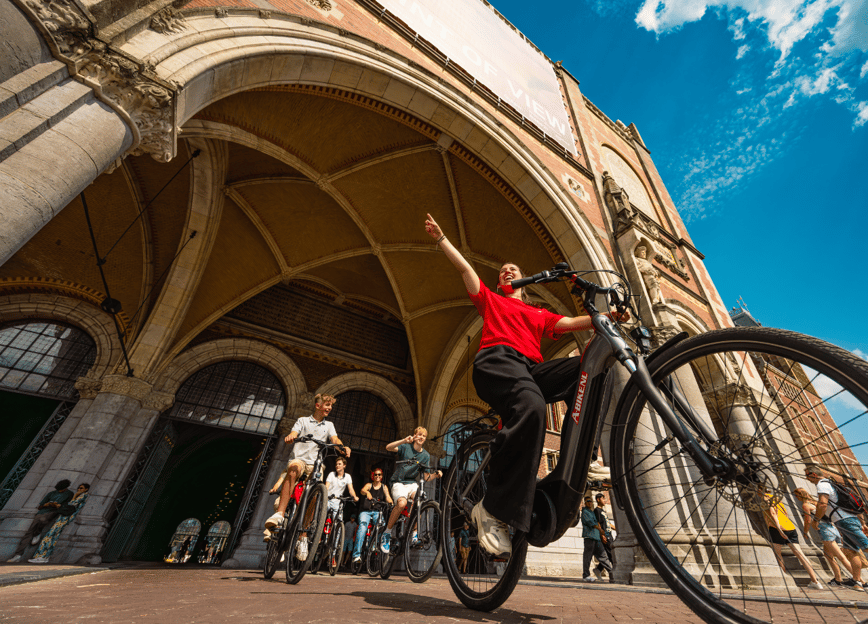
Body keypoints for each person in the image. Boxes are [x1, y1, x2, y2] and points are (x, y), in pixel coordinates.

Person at [424, 214, 628, 557]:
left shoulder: (538, 313)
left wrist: (606, 318)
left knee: (593, 368)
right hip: (497, 363)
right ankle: (491, 510)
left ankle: (584, 456)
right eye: (503, 270)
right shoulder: (492, 299)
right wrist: (442, 238)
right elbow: (465, 272)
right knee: (532, 404)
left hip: (530, 370)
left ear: (525, 282)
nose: (507, 271)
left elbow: (569, 323)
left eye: (514, 269)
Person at [264, 393, 351, 561]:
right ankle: (280, 514)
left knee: (315, 494)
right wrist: (291, 436)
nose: (329, 408)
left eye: (330, 405)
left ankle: (303, 536)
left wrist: (341, 447)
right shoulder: (303, 420)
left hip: (315, 464)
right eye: (326, 404)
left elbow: (334, 438)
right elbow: (294, 432)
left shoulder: (329, 425)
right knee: (294, 468)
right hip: (300, 460)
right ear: (317, 406)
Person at [805, 464, 868, 591]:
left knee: (866, 546)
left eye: (807, 476)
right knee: (851, 550)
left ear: (814, 475)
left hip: (845, 521)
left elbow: (822, 504)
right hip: (848, 520)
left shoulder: (822, 485)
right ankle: (857, 582)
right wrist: (862, 523)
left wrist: (816, 520)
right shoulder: (834, 484)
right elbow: (856, 505)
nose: (807, 479)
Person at [380, 427, 442, 554]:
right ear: (414, 435)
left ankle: (414, 534)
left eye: (424, 436)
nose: (421, 437)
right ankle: (387, 533)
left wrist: (436, 475)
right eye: (419, 435)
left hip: (411, 483)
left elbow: (425, 476)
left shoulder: (425, 455)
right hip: (398, 482)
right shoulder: (405, 447)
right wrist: (403, 440)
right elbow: (388, 447)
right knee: (402, 503)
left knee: (420, 500)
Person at [762, 490, 825, 590]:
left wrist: (779, 529)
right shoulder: (777, 499)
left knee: (778, 555)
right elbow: (785, 513)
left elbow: (773, 514)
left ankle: (786, 580)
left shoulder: (765, 498)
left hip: (777, 528)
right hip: (790, 527)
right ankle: (815, 581)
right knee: (800, 554)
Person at [794, 487, 856, 587]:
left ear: (799, 495)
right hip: (833, 528)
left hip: (825, 530)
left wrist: (805, 532)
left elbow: (808, 520)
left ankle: (858, 580)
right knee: (828, 555)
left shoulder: (806, 505)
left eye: (796, 495)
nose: (796, 498)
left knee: (841, 556)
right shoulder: (816, 502)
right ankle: (838, 579)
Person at [6, 479, 74, 562]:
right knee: (29, 532)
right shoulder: (51, 493)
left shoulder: (69, 494)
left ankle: (38, 532)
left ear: (66, 487)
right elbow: (40, 506)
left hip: (53, 512)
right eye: (58, 490)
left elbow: (68, 505)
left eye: (62, 490)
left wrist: (58, 505)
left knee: (43, 519)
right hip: (42, 512)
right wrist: (48, 504)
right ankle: (18, 555)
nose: (60, 491)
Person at [27, 483, 90, 563]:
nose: (79, 490)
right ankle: (45, 557)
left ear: (86, 489)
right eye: (78, 488)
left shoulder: (83, 495)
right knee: (53, 536)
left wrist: (75, 495)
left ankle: (42, 556)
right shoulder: (82, 495)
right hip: (64, 517)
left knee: (50, 535)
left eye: (81, 488)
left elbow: (71, 504)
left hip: (65, 517)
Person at [352, 468, 392, 564]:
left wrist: (391, 503)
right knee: (363, 526)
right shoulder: (369, 485)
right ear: (373, 476)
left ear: (381, 476)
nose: (377, 476)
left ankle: (372, 544)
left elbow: (387, 496)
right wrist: (367, 492)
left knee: (382, 525)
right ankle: (356, 555)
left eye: (379, 475)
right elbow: (362, 491)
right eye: (375, 475)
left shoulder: (384, 487)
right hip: (366, 511)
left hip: (377, 512)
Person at [581, 496, 612, 582]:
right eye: (587, 501)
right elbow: (591, 523)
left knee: (603, 556)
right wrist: (600, 529)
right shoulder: (585, 512)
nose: (589, 503)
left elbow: (598, 523)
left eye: (590, 501)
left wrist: (602, 534)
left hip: (597, 538)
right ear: (585, 502)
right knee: (588, 557)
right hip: (589, 537)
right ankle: (586, 576)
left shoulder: (592, 512)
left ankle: (612, 573)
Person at [594, 493, 616, 574]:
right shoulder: (597, 511)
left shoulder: (603, 511)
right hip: (605, 535)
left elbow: (608, 523)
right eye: (603, 499)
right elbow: (598, 523)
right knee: (611, 553)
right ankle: (615, 571)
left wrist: (617, 529)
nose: (605, 501)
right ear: (598, 499)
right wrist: (602, 535)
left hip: (609, 534)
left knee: (607, 553)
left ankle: (598, 569)